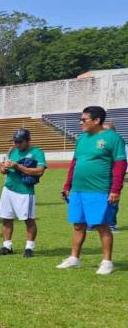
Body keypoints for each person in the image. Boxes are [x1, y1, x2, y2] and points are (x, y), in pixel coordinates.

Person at [58, 106, 126, 275]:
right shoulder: (81, 139)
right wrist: (68, 185)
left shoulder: (113, 138)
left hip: (99, 190)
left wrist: (116, 189)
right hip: (79, 190)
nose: (81, 122)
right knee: (78, 224)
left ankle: (107, 262)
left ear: (96, 121)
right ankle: (74, 258)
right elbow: (75, 163)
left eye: (84, 119)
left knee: (102, 225)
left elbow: (120, 165)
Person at [0, 129, 46, 258]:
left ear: (28, 140)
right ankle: (7, 246)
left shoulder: (37, 152)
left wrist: (18, 167)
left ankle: (29, 247)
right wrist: (4, 169)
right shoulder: (12, 151)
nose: (17, 144)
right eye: (15, 141)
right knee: (6, 218)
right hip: (8, 188)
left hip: (25, 191)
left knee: (28, 220)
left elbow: (40, 171)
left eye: (20, 142)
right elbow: (2, 170)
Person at [103, 121, 121, 232]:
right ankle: (92, 224)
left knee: (112, 203)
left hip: (113, 179)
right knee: (95, 201)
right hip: (97, 180)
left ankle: (111, 225)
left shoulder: (118, 146)